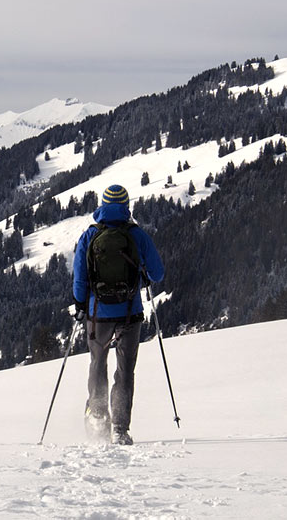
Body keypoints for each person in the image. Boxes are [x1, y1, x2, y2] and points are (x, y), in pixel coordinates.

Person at [72, 184, 164, 445]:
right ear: (126, 206)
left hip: (97, 314)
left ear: (102, 205)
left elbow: (79, 278)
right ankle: (120, 429)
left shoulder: (90, 235)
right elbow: (158, 274)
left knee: (97, 362)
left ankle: (99, 416)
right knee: (125, 371)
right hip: (129, 313)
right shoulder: (136, 235)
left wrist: (80, 305)